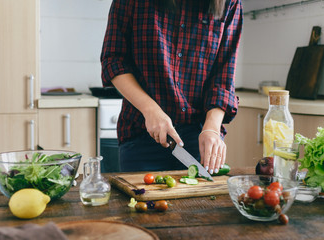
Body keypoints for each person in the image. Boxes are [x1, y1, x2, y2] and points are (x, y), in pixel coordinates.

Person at [100, 0, 242, 174]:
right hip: (141, 135)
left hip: (199, 137)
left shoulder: (230, 3)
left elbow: (224, 75)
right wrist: (150, 110)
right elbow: (114, 60)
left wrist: (212, 128)